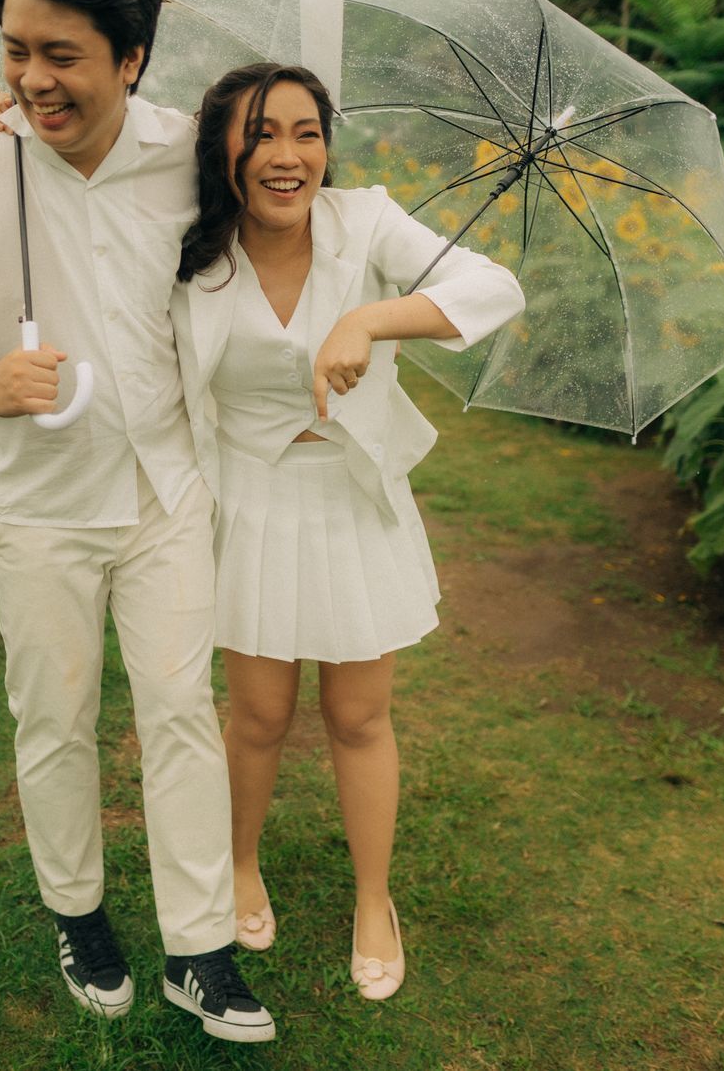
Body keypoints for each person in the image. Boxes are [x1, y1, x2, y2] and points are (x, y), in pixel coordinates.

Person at [0, 0, 275, 1044]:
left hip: (164, 489)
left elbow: (289, 205)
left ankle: (200, 950)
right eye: (15, 50)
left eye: (62, 55)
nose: (33, 79)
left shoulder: (189, 152)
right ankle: (79, 915)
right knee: (54, 716)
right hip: (37, 500)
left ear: (132, 56)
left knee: (180, 713)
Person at [171, 63, 524, 1000]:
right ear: (220, 148)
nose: (286, 156)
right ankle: (238, 865)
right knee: (258, 716)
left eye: (307, 133)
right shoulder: (190, 245)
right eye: (260, 134)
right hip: (250, 501)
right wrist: (9, 128)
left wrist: (371, 317)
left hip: (354, 500)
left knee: (359, 717)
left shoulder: (366, 222)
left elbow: (494, 288)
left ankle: (374, 899)